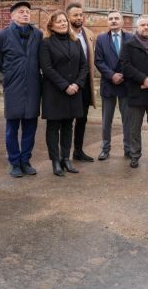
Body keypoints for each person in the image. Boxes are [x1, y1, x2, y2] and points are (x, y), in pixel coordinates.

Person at [0, 2, 42, 177]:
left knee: (30, 126)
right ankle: (14, 162)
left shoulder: (38, 34)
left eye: (28, 12)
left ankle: (25, 160)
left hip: (34, 85)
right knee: (12, 127)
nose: (25, 14)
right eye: (21, 12)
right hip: (13, 86)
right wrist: (12, 73)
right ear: (12, 16)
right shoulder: (2, 35)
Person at [40, 11, 88, 176]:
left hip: (74, 91)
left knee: (68, 126)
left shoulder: (75, 42)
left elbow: (84, 65)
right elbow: (46, 68)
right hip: (55, 92)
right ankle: (55, 161)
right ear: (51, 25)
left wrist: (77, 84)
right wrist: (65, 85)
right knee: (53, 127)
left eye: (64, 21)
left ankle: (66, 159)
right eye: (59, 21)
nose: (63, 24)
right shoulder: (46, 43)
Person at [120, 15, 148, 168]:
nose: (146, 27)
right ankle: (135, 155)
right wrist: (143, 79)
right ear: (137, 27)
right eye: (143, 25)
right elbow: (125, 66)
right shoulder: (128, 45)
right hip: (136, 92)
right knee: (134, 127)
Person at [94, 10, 134, 161]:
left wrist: (123, 75)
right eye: (110, 19)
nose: (113, 21)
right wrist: (112, 75)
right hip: (108, 84)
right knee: (106, 120)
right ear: (107, 22)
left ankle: (128, 149)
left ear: (122, 21)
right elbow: (98, 61)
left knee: (127, 119)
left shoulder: (130, 38)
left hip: (126, 84)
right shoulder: (101, 39)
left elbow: (133, 59)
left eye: (117, 18)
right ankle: (105, 149)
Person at [66, 3, 96, 161]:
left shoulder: (88, 33)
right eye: (75, 15)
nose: (79, 18)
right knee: (67, 120)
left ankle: (78, 151)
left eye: (81, 14)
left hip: (83, 83)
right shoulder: (62, 33)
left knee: (82, 118)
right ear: (68, 17)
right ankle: (64, 154)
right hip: (68, 85)